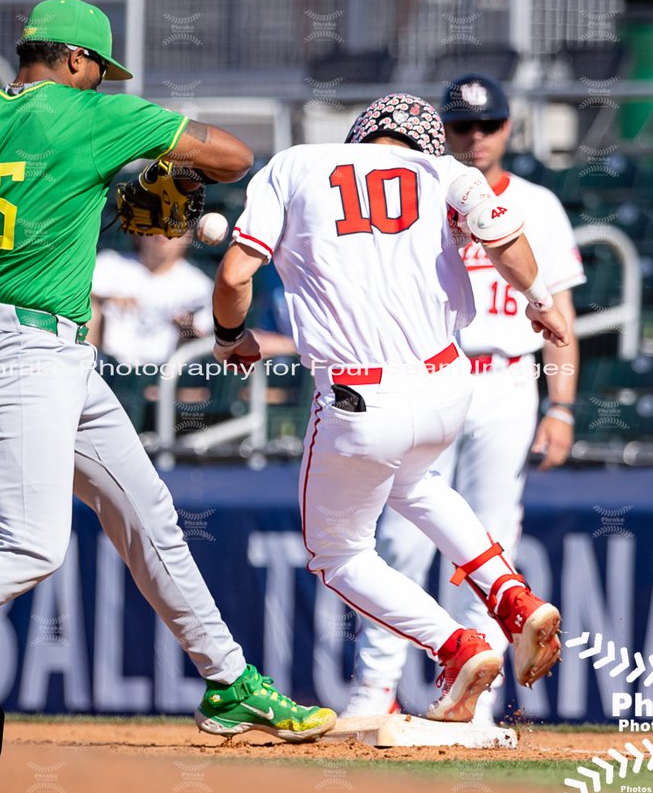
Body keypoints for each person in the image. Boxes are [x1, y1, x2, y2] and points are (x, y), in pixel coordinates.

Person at [0, 0, 336, 743]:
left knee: (149, 515)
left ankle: (229, 682)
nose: (103, 83)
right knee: (31, 544)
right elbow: (235, 157)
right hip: (26, 359)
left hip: (37, 349)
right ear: (75, 60)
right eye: (99, 71)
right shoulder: (91, 116)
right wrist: (151, 162)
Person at [210, 93, 566, 722]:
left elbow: (237, 276)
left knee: (337, 553)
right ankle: (510, 597)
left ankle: (455, 646)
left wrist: (228, 337)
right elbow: (504, 238)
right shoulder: (447, 173)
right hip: (448, 385)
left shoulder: (294, 164)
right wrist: (538, 298)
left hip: (358, 394)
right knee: (417, 483)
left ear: (361, 135)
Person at [344, 75, 585, 724]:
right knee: (400, 542)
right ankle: (374, 690)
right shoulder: (415, 196)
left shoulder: (537, 202)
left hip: (509, 380)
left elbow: (560, 311)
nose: (475, 137)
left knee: (491, 544)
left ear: (508, 128)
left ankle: (475, 703)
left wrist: (560, 405)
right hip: (433, 376)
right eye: (461, 126)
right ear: (442, 132)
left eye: (488, 125)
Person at [89, 234, 212, 366]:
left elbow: (202, 339)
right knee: (89, 308)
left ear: (188, 235)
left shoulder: (200, 286)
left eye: (176, 228)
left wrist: (186, 328)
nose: (164, 234)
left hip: (163, 376)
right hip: (104, 367)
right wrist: (105, 299)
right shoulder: (110, 263)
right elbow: (79, 297)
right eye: (157, 223)